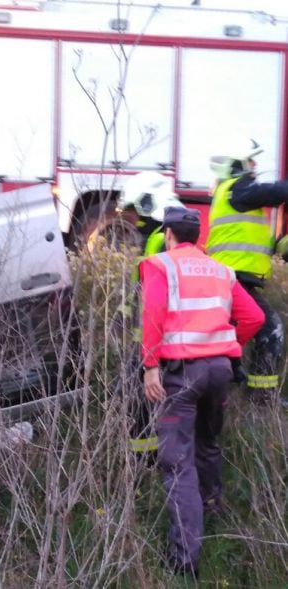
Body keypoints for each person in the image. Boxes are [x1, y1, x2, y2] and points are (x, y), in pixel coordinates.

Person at [140, 206, 265, 577]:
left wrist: (150, 367)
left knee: (177, 464)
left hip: (182, 374)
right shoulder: (221, 270)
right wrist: (230, 344)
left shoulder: (161, 265)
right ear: (198, 236)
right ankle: (212, 512)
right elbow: (254, 317)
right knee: (208, 445)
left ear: (168, 234)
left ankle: (184, 561)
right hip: (219, 371)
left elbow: (152, 314)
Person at [206, 140, 288, 404]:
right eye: (251, 163)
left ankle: (230, 384)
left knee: (234, 333)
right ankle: (261, 397)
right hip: (233, 278)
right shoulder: (237, 189)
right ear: (237, 165)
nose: (255, 169)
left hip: (233, 278)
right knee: (270, 328)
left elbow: (256, 241)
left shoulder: (234, 196)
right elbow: (276, 191)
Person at [117, 172, 185, 461]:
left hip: (154, 342)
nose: (130, 218)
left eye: (132, 210)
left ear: (146, 204)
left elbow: (155, 297)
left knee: (141, 403)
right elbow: (138, 288)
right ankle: (146, 459)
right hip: (147, 340)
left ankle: (145, 462)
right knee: (137, 400)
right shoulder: (154, 238)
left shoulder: (159, 241)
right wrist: (122, 313)